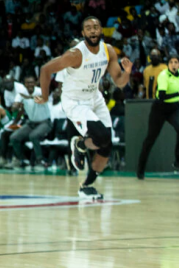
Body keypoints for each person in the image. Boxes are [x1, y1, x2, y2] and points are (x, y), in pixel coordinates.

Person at [37, 16, 132, 199]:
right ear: (83, 33)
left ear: (101, 30)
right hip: (75, 100)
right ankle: (79, 143)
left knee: (107, 145)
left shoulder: (108, 50)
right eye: (88, 28)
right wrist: (45, 96)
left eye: (96, 27)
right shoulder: (75, 54)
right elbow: (46, 69)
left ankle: (86, 185)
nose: (93, 30)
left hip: (94, 97)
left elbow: (119, 82)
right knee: (102, 136)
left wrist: (126, 72)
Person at [136, 54, 179, 179]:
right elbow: (161, 97)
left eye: (176, 62)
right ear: (168, 64)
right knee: (151, 139)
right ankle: (140, 169)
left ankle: (178, 160)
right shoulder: (164, 76)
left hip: (174, 108)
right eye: (171, 62)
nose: (173, 64)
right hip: (160, 109)